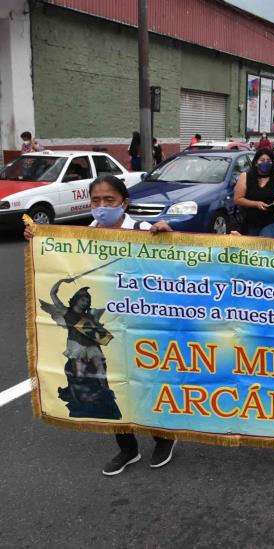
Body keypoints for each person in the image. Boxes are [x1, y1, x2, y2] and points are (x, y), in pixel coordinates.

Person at [24, 175, 175, 475]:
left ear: (124, 203)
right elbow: (55, 267)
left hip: (141, 326)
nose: (102, 207)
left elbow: (174, 265)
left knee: (146, 383)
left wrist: (167, 233)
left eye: (109, 201)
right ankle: (127, 449)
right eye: (96, 201)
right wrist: (39, 241)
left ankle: (163, 438)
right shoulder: (84, 237)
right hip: (107, 337)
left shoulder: (143, 230)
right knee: (110, 385)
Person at [233, 148, 274, 237]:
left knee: (264, 246)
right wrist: (256, 204)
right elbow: (238, 199)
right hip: (250, 221)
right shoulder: (245, 177)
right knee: (252, 249)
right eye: (262, 160)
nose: (265, 163)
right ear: (256, 163)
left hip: (270, 221)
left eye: (269, 161)